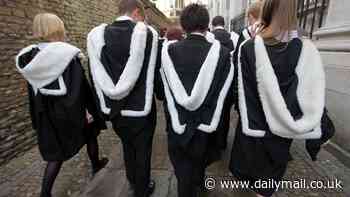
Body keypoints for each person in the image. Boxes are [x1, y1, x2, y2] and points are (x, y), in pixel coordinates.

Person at [229, 0, 334, 196]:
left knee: (253, 177)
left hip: (256, 129)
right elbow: (311, 94)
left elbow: (243, 93)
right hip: (282, 132)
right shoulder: (306, 49)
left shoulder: (248, 47)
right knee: (269, 179)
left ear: (267, 10)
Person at [15, 13, 108, 197]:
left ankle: (45, 193)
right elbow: (80, 87)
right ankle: (96, 163)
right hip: (71, 110)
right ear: (58, 28)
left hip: (46, 113)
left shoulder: (30, 57)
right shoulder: (67, 54)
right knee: (90, 136)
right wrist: (90, 110)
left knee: (56, 154)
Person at [87, 0, 159, 196]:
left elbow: (94, 74)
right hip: (142, 107)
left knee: (127, 144)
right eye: (142, 17)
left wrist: (100, 109)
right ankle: (142, 189)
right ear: (137, 12)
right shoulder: (148, 35)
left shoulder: (98, 36)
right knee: (143, 149)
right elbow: (156, 71)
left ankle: (133, 179)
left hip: (115, 108)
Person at [160, 4, 233, 197]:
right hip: (207, 124)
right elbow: (226, 94)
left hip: (178, 124)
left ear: (183, 26)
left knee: (183, 171)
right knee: (200, 162)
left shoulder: (169, 52)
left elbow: (161, 90)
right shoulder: (223, 54)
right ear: (206, 24)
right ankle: (200, 185)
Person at [232, 1, 263, 110]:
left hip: (247, 84)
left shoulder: (246, 34)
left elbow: (237, 61)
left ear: (251, 16)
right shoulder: (273, 31)